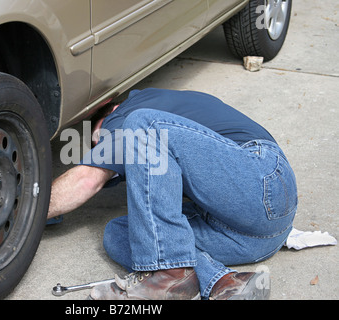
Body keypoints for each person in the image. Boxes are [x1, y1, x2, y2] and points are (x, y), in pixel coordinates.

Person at [47, 88, 298, 300]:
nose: (101, 146)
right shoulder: (175, 105)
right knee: (118, 233)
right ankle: (223, 282)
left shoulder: (125, 114)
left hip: (263, 179)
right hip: (254, 240)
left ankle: (171, 273)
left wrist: (28, 211)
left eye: (98, 141)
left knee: (142, 124)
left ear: (110, 112)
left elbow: (87, 179)